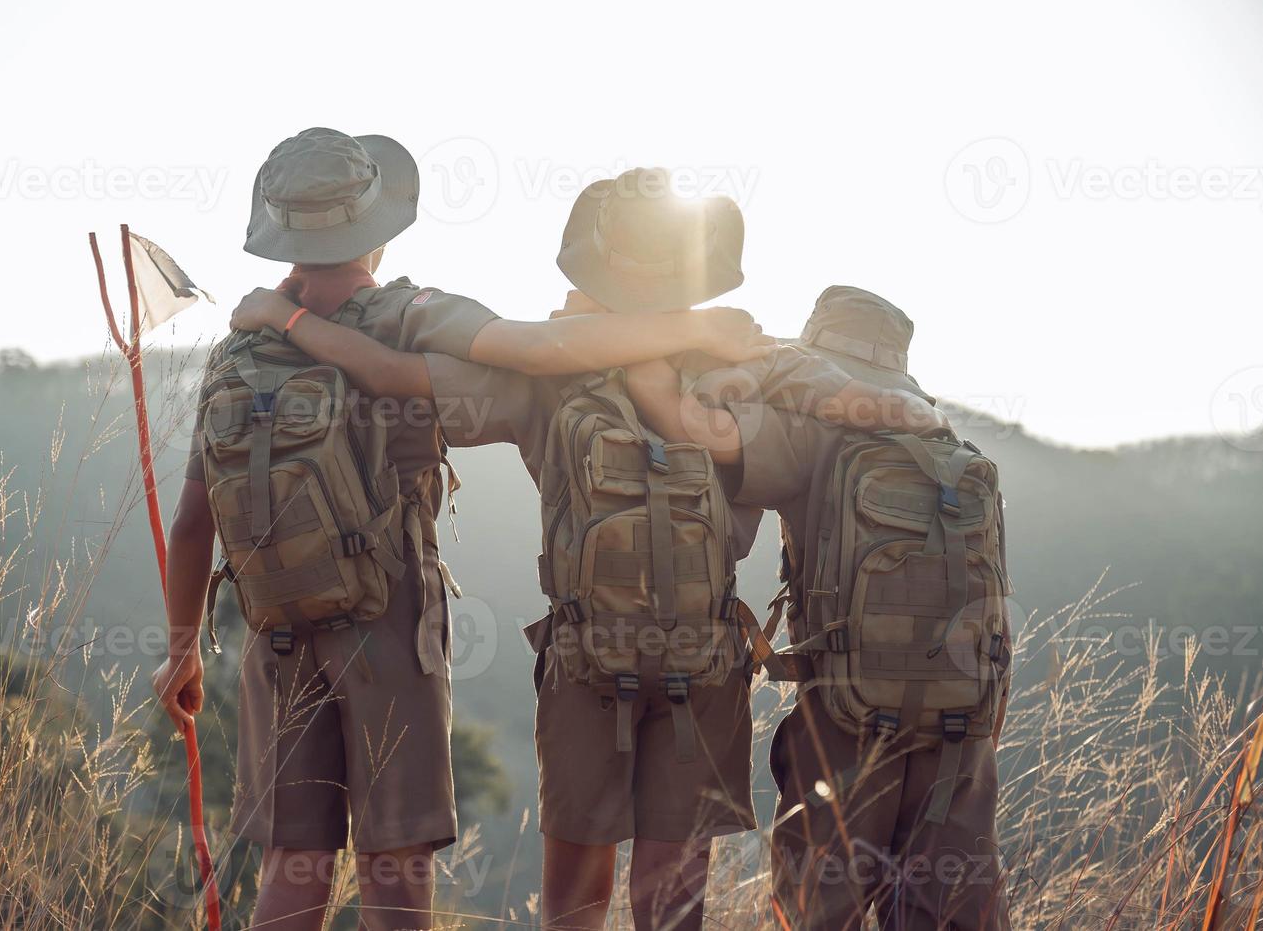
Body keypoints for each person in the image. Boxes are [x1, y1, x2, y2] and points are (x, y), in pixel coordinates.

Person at [227, 169, 944, 930]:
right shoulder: (748, 362)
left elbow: (393, 376)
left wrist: (285, 320)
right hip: (702, 663)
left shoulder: (547, 375)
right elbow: (876, 407)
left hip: (585, 661)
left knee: (576, 892)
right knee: (672, 894)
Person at [151, 131, 779, 931]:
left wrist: (178, 651)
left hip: (274, 630)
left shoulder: (240, 348)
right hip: (392, 621)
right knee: (395, 857)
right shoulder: (410, 312)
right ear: (377, 230)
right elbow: (532, 347)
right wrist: (687, 334)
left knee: (293, 863)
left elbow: (192, 521)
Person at [623, 286, 1012, 930]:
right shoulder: (953, 452)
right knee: (951, 911)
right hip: (961, 729)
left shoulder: (810, 433)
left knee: (821, 908)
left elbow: (683, 414)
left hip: (844, 719)